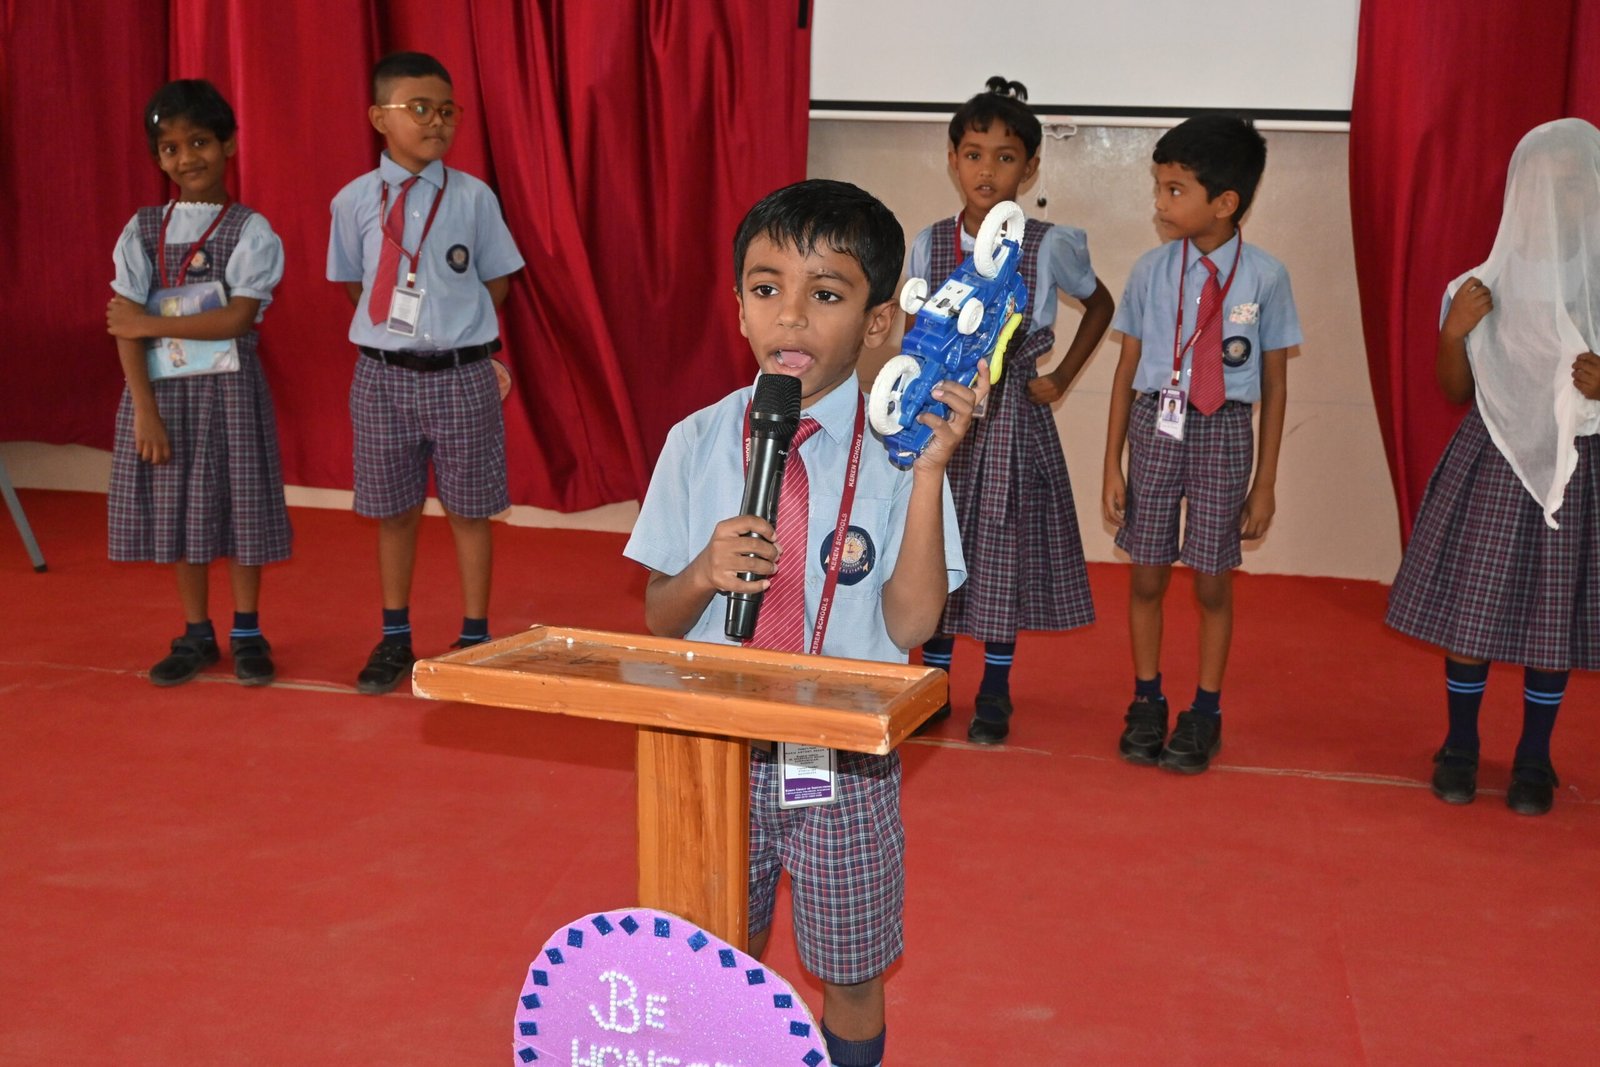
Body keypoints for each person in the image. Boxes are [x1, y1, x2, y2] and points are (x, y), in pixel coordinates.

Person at [623, 179, 981, 1067]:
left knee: (851, 970)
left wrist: (930, 474)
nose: (790, 315)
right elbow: (660, 616)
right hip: (717, 746)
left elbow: (914, 619)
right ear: (738, 305)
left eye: (825, 293)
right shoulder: (697, 440)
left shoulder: (901, 452)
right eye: (766, 287)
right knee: (716, 951)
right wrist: (702, 573)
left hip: (842, 755)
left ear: (876, 321)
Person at [1387, 118, 1600, 816]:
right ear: (1520, 191)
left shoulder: (1598, 282)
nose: (1560, 199)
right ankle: (1460, 744)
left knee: (1552, 612)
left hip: (1577, 464)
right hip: (1497, 458)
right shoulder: (1481, 284)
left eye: (1575, 185)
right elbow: (1455, 389)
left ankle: (1535, 755)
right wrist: (1454, 333)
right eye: (1547, 184)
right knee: (1473, 609)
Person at [911, 76, 1115, 744]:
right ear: (952, 159)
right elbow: (914, 332)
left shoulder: (1048, 243)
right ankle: (934, 680)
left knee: (1001, 544)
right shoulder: (930, 242)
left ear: (1029, 168)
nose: (987, 170)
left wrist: (1061, 376)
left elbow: (1100, 304)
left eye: (1005, 157)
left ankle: (995, 688)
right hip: (941, 418)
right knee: (934, 536)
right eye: (973, 154)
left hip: (1011, 421)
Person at [1103, 115, 1301, 774]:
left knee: (1213, 580)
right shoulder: (1151, 271)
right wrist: (1111, 465)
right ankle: (1147, 698)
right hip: (1155, 424)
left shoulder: (1266, 276)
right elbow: (1126, 370)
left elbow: (1275, 382)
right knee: (1147, 571)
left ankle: (1206, 710)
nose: (1160, 203)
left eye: (1175, 190)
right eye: (1159, 188)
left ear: (1225, 202)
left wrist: (1265, 482)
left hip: (1224, 429)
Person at [326, 51, 525, 695]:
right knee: (394, 512)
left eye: (446, 111)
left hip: (462, 375)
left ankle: (474, 637)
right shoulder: (353, 200)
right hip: (382, 379)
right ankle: (394, 636)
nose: (436, 121)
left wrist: (457, 333)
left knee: (470, 510)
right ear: (378, 117)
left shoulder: (473, 197)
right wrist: (397, 337)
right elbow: (352, 285)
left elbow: (497, 281)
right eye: (419, 108)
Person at [105, 79, 291, 688]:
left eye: (201, 142)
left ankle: (247, 632)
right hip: (162, 393)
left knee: (241, 505)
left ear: (229, 144)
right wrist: (144, 410)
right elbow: (123, 327)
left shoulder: (251, 230)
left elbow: (237, 319)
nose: (188, 158)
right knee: (176, 507)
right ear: (158, 158)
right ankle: (195, 632)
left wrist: (147, 321)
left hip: (231, 393)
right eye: (171, 148)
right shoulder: (142, 229)